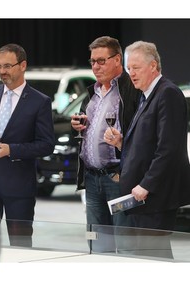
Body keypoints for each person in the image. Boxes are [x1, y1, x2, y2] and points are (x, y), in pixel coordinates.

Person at [104, 40, 190, 259]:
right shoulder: (147, 94)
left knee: (154, 256)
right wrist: (121, 143)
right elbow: (148, 145)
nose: (131, 73)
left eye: (136, 68)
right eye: (129, 68)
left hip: (153, 195)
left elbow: (169, 149)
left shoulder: (167, 94)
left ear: (153, 66)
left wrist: (146, 185)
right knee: (146, 256)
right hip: (141, 195)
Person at [71, 36, 141, 252]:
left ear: (118, 59)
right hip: (92, 180)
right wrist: (79, 125)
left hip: (119, 178)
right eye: (92, 61)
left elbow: (142, 133)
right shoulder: (92, 92)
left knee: (125, 242)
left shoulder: (131, 89)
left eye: (101, 61)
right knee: (97, 244)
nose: (95, 66)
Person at [0, 43, 55, 247]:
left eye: (7, 66)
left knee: (20, 246)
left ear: (23, 65)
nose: (2, 72)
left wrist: (11, 149)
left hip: (19, 188)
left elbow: (46, 145)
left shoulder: (39, 102)